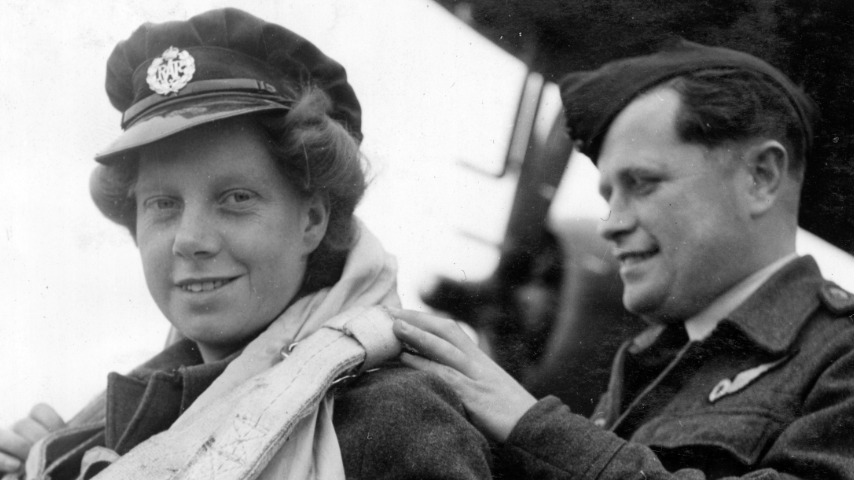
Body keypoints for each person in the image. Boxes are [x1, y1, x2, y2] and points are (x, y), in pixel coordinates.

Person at [0, 8, 490, 479]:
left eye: (236, 198)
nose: (190, 241)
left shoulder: (390, 419)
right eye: (162, 204)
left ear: (312, 220)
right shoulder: (120, 426)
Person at [392, 39, 854, 479]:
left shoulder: (841, 357)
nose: (609, 225)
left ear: (761, 177)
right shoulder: (649, 357)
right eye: (609, 195)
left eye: (643, 184)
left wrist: (531, 428)